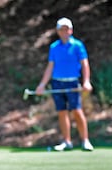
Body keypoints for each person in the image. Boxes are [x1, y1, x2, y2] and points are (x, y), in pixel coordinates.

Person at [35, 17, 94, 151]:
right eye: (62, 29)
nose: (64, 31)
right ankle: (67, 141)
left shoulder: (77, 45)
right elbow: (50, 66)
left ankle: (85, 140)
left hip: (73, 82)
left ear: (71, 30)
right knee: (62, 112)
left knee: (77, 111)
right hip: (57, 83)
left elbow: (85, 64)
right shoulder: (54, 47)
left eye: (67, 29)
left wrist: (86, 81)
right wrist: (42, 84)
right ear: (58, 31)